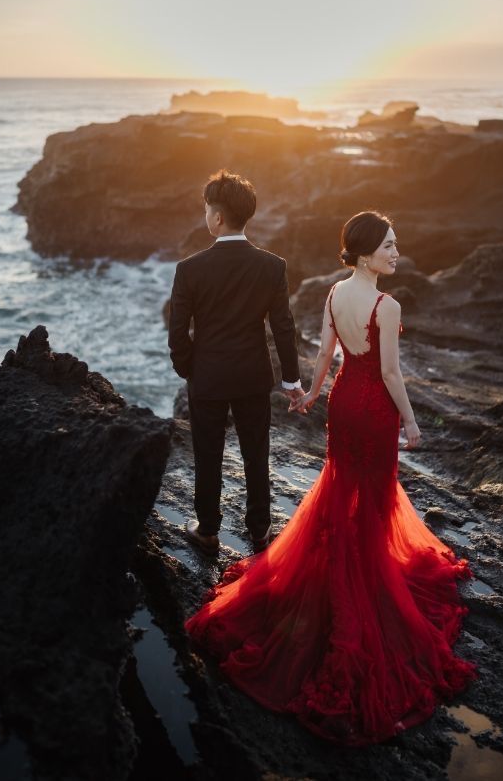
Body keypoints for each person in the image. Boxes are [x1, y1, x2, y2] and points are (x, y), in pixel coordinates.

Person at [184, 210, 478, 745]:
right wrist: (411, 422)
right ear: (366, 253)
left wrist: (314, 394)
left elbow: (326, 353)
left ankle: (345, 561)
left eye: (396, 242)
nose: (396, 251)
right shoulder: (386, 306)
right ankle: (365, 576)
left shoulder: (335, 294)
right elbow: (390, 373)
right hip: (373, 407)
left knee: (341, 486)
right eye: (389, 245)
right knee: (372, 495)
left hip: (343, 403)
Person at [168, 169, 305, 556]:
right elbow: (283, 328)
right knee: (255, 453)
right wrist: (291, 380)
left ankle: (208, 528)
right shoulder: (271, 266)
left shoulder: (189, 269)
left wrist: (187, 367)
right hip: (252, 376)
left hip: (207, 376)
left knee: (208, 454)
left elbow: (178, 332)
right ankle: (260, 530)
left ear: (217, 217)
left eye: (207, 210)